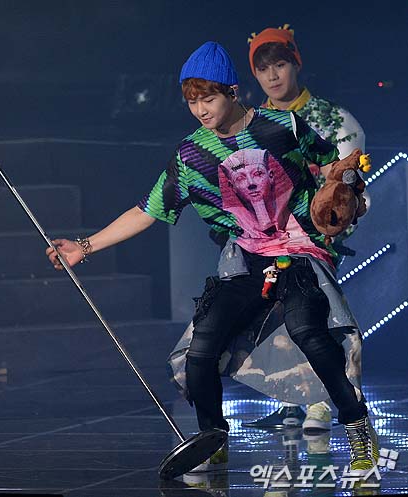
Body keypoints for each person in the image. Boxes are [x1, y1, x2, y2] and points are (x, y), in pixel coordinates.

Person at [46, 41, 378, 476]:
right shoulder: (190, 156)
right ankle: (212, 437)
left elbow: (334, 166)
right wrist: (84, 246)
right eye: (192, 102)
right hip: (246, 258)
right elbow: (146, 211)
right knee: (201, 351)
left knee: (308, 332)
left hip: (299, 250)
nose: (200, 110)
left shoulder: (284, 127)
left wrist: (346, 192)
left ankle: (357, 427)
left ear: (232, 92)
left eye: (208, 99)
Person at [242, 24, 367, 433]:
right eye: (263, 69)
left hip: (316, 236)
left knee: (314, 318)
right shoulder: (249, 123)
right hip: (265, 238)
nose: (273, 75)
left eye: (280, 64)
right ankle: (290, 402)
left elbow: (350, 189)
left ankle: (321, 403)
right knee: (275, 319)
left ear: (296, 64)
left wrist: (327, 226)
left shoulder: (334, 120)